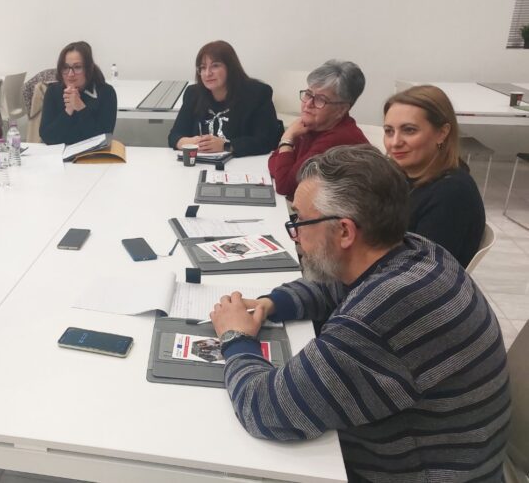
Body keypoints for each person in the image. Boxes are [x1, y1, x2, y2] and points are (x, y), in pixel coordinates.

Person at [210, 145, 509, 481]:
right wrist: (272, 303)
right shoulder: (415, 250)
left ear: (345, 231)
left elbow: (265, 408)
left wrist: (235, 337)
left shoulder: (376, 317)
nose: (295, 235)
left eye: (300, 221)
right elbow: (333, 284)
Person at [384, 85, 485, 268]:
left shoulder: (452, 193)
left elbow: (423, 273)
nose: (395, 142)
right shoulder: (402, 177)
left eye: (409, 130)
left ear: (442, 133)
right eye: (389, 131)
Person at [267, 60, 368, 198]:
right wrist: (286, 165)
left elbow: (285, 186)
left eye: (320, 99)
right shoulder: (312, 126)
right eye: (308, 94)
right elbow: (274, 160)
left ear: (341, 109)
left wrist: (287, 138)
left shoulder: (338, 139)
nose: (308, 104)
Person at [168, 40, 280, 157]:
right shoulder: (193, 94)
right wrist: (187, 142)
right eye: (203, 67)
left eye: (215, 66)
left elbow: (266, 141)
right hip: (201, 162)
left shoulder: (257, 93)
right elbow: (174, 136)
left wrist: (225, 146)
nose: (207, 73)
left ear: (231, 68)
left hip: (243, 163)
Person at [40, 41, 117, 145]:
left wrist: (80, 108)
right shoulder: (53, 91)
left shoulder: (106, 93)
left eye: (77, 67)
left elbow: (104, 139)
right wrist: (68, 111)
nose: (70, 74)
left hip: (93, 154)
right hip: (60, 153)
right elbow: (47, 137)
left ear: (88, 68)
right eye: (65, 67)